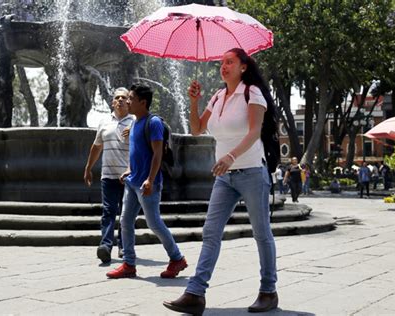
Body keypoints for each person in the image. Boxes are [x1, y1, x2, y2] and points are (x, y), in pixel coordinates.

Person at [163, 48, 278, 315]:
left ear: (243, 67)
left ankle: (268, 291)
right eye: (221, 63)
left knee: (261, 234)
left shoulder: (252, 93)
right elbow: (196, 129)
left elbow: (253, 133)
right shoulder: (217, 97)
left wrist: (230, 155)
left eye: (230, 62)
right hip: (224, 177)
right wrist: (193, 101)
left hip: (251, 171)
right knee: (211, 232)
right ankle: (195, 294)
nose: (223, 67)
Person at [106, 84, 187, 279]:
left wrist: (150, 180)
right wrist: (129, 170)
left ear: (143, 102)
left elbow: (157, 154)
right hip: (133, 182)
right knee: (125, 221)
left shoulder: (154, 123)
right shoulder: (134, 123)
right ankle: (129, 264)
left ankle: (177, 259)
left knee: (154, 223)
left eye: (131, 98)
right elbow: (137, 153)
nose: (127, 101)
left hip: (148, 184)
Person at [84, 87, 134, 264]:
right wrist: (88, 167)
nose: (120, 100)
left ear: (129, 102)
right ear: (112, 102)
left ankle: (123, 245)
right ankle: (105, 245)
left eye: (124, 98)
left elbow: (145, 145)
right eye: (117, 98)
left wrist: (135, 133)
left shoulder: (135, 121)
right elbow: (97, 146)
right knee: (108, 211)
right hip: (108, 175)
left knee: (126, 213)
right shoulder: (104, 121)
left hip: (129, 176)